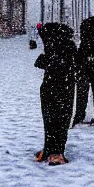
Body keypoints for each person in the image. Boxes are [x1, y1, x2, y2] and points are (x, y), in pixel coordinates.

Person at [34, 22, 77, 166]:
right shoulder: (65, 44)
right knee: (54, 119)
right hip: (58, 86)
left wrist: (43, 61)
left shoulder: (60, 45)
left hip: (57, 86)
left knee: (56, 119)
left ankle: (56, 151)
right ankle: (51, 148)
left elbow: (58, 64)